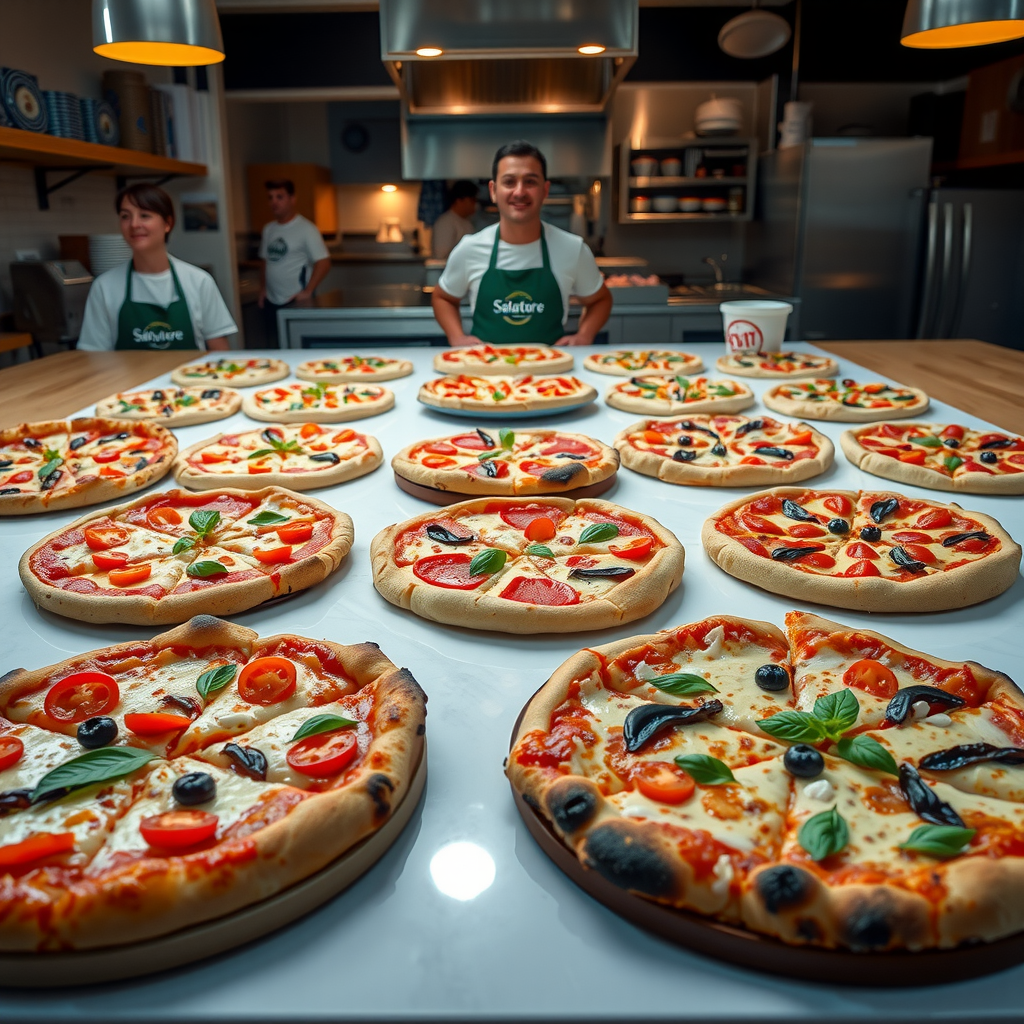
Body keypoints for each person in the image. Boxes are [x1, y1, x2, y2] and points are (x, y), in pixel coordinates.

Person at [431, 141, 611, 347]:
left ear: (545, 190)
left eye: (530, 182)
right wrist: (456, 337)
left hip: (551, 375)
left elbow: (600, 300)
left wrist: (585, 335)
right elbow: (443, 298)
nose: (519, 192)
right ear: (493, 190)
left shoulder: (573, 248)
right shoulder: (469, 249)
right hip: (485, 374)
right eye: (509, 182)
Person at [78, 183, 236, 351]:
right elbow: (94, 357)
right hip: (130, 378)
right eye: (125, 216)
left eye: (144, 215)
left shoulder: (199, 281)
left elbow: (220, 354)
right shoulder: (104, 287)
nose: (134, 224)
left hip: (189, 376)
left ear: (168, 223)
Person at [258, 179, 331, 345]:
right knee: (273, 344)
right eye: (270, 197)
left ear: (292, 199)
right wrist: (263, 289)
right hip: (271, 300)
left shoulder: (306, 229)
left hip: (295, 300)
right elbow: (264, 261)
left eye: (279, 197)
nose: (274, 202)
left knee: (295, 345)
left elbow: (324, 263)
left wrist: (308, 291)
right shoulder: (269, 229)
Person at [431, 180, 478, 260]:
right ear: (459, 200)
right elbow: (441, 256)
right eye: (472, 200)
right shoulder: (445, 223)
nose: (475, 205)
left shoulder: (467, 222)